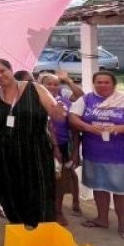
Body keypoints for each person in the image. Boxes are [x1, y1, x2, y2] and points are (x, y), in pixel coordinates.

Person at [0, 59, 66, 228]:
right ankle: (20, 228)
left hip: (36, 152)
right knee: (10, 192)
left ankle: (43, 232)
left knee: (40, 191)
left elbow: (55, 114)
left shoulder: (35, 89)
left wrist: (59, 111)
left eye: (3, 71)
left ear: (11, 69)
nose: (0, 76)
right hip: (4, 155)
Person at [69, 71, 124, 239]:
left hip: (118, 155)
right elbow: (72, 118)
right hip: (93, 153)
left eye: (106, 82)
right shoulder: (86, 99)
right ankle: (102, 219)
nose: (102, 85)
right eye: (99, 82)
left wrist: (119, 128)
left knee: (120, 191)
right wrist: (87, 127)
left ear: (114, 84)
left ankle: (123, 225)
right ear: (93, 83)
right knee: (99, 187)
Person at [40, 72, 83, 223]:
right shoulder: (35, 100)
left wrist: (75, 151)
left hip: (63, 146)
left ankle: (58, 211)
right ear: (41, 85)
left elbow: (74, 127)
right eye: (48, 84)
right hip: (40, 146)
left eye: (56, 84)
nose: (52, 87)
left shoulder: (65, 102)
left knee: (61, 179)